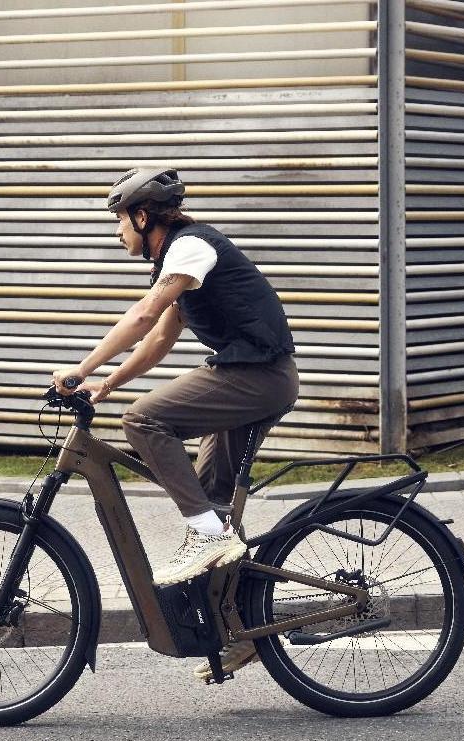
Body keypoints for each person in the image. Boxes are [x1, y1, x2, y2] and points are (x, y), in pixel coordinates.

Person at [53, 166, 299, 677]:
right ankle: (243, 630)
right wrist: (107, 384)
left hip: (258, 375)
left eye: (121, 221)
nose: (119, 232)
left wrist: (80, 369)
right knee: (210, 499)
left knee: (144, 421)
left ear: (143, 217)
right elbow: (160, 339)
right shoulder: (183, 262)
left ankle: (209, 537)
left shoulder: (191, 247)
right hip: (250, 375)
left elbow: (144, 315)